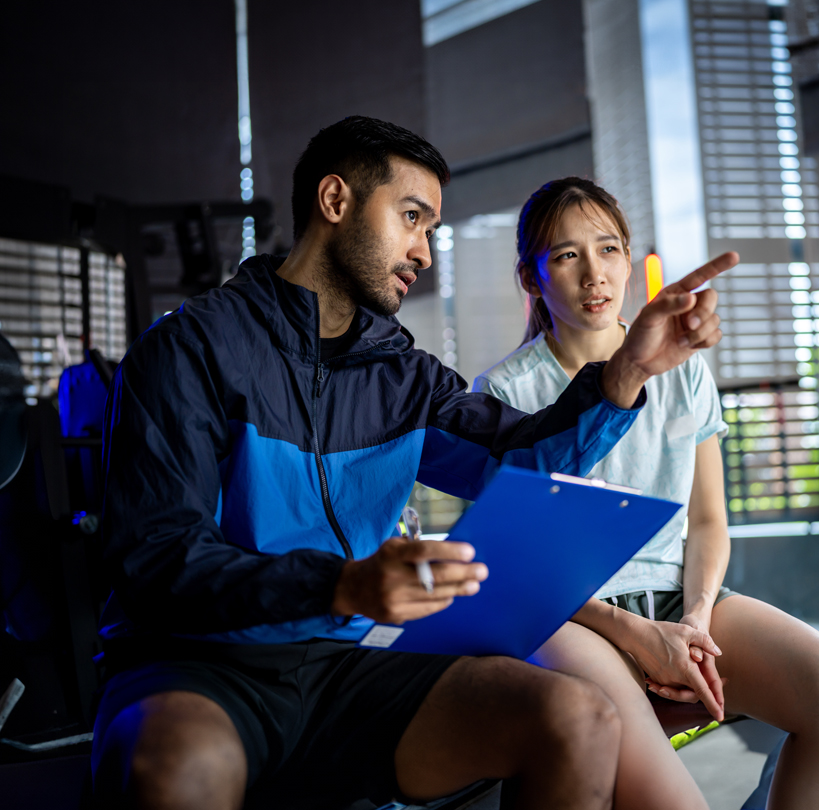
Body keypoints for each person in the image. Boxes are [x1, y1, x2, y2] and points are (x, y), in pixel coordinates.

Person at [89, 118, 732, 810]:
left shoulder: (402, 375)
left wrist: (625, 372)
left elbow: (520, 463)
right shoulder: (189, 349)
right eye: (412, 219)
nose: (425, 252)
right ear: (335, 203)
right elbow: (158, 560)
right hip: (201, 666)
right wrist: (341, 586)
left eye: (431, 230)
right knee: (180, 767)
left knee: (577, 717)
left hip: (345, 667)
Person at [474, 177, 819, 810]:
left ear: (629, 263)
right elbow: (521, 566)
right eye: (566, 255)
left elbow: (709, 521)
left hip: (675, 596)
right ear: (532, 278)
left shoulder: (683, 366)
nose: (593, 274)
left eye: (608, 251)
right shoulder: (504, 391)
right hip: (573, 614)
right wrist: (635, 635)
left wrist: (693, 620)